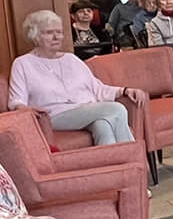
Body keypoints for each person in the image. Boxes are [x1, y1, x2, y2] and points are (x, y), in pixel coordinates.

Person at [8, 10, 144, 145]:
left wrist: (124, 91)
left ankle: (118, 165)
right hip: (54, 116)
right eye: (49, 33)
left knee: (103, 125)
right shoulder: (23, 64)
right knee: (116, 109)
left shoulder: (71, 59)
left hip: (86, 111)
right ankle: (133, 155)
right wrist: (25, 109)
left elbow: (97, 88)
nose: (57, 37)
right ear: (35, 36)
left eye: (59, 32)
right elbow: (16, 101)